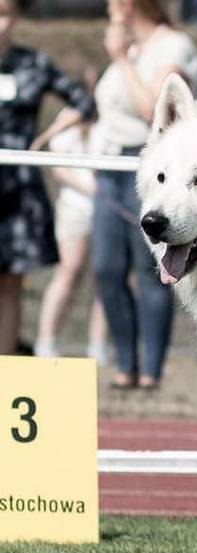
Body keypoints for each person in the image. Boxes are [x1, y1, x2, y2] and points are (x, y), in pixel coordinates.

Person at [92, 0, 197, 389]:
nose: (107, 9)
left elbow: (150, 110)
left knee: (152, 270)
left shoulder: (173, 47)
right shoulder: (132, 49)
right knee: (106, 268)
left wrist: (120, 59)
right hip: (108, 167)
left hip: (151, 170)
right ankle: (125, 365)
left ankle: (151, 372)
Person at [0, 0, 95, 356]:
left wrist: (45, 138)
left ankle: (5, 365)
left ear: (15, 18)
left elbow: (84, 103)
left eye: (4, 15)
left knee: (11, 283)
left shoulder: (33, 63)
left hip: (20, 191)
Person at [32, 93, 109, 363]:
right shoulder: (65, 119)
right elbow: (58, 167)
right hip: (75, 209)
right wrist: (92, 189)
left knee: (106, 278)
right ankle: (46, 341)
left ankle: (98, 345)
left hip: (106, 212)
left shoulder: (109, 121)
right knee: (68, 272)